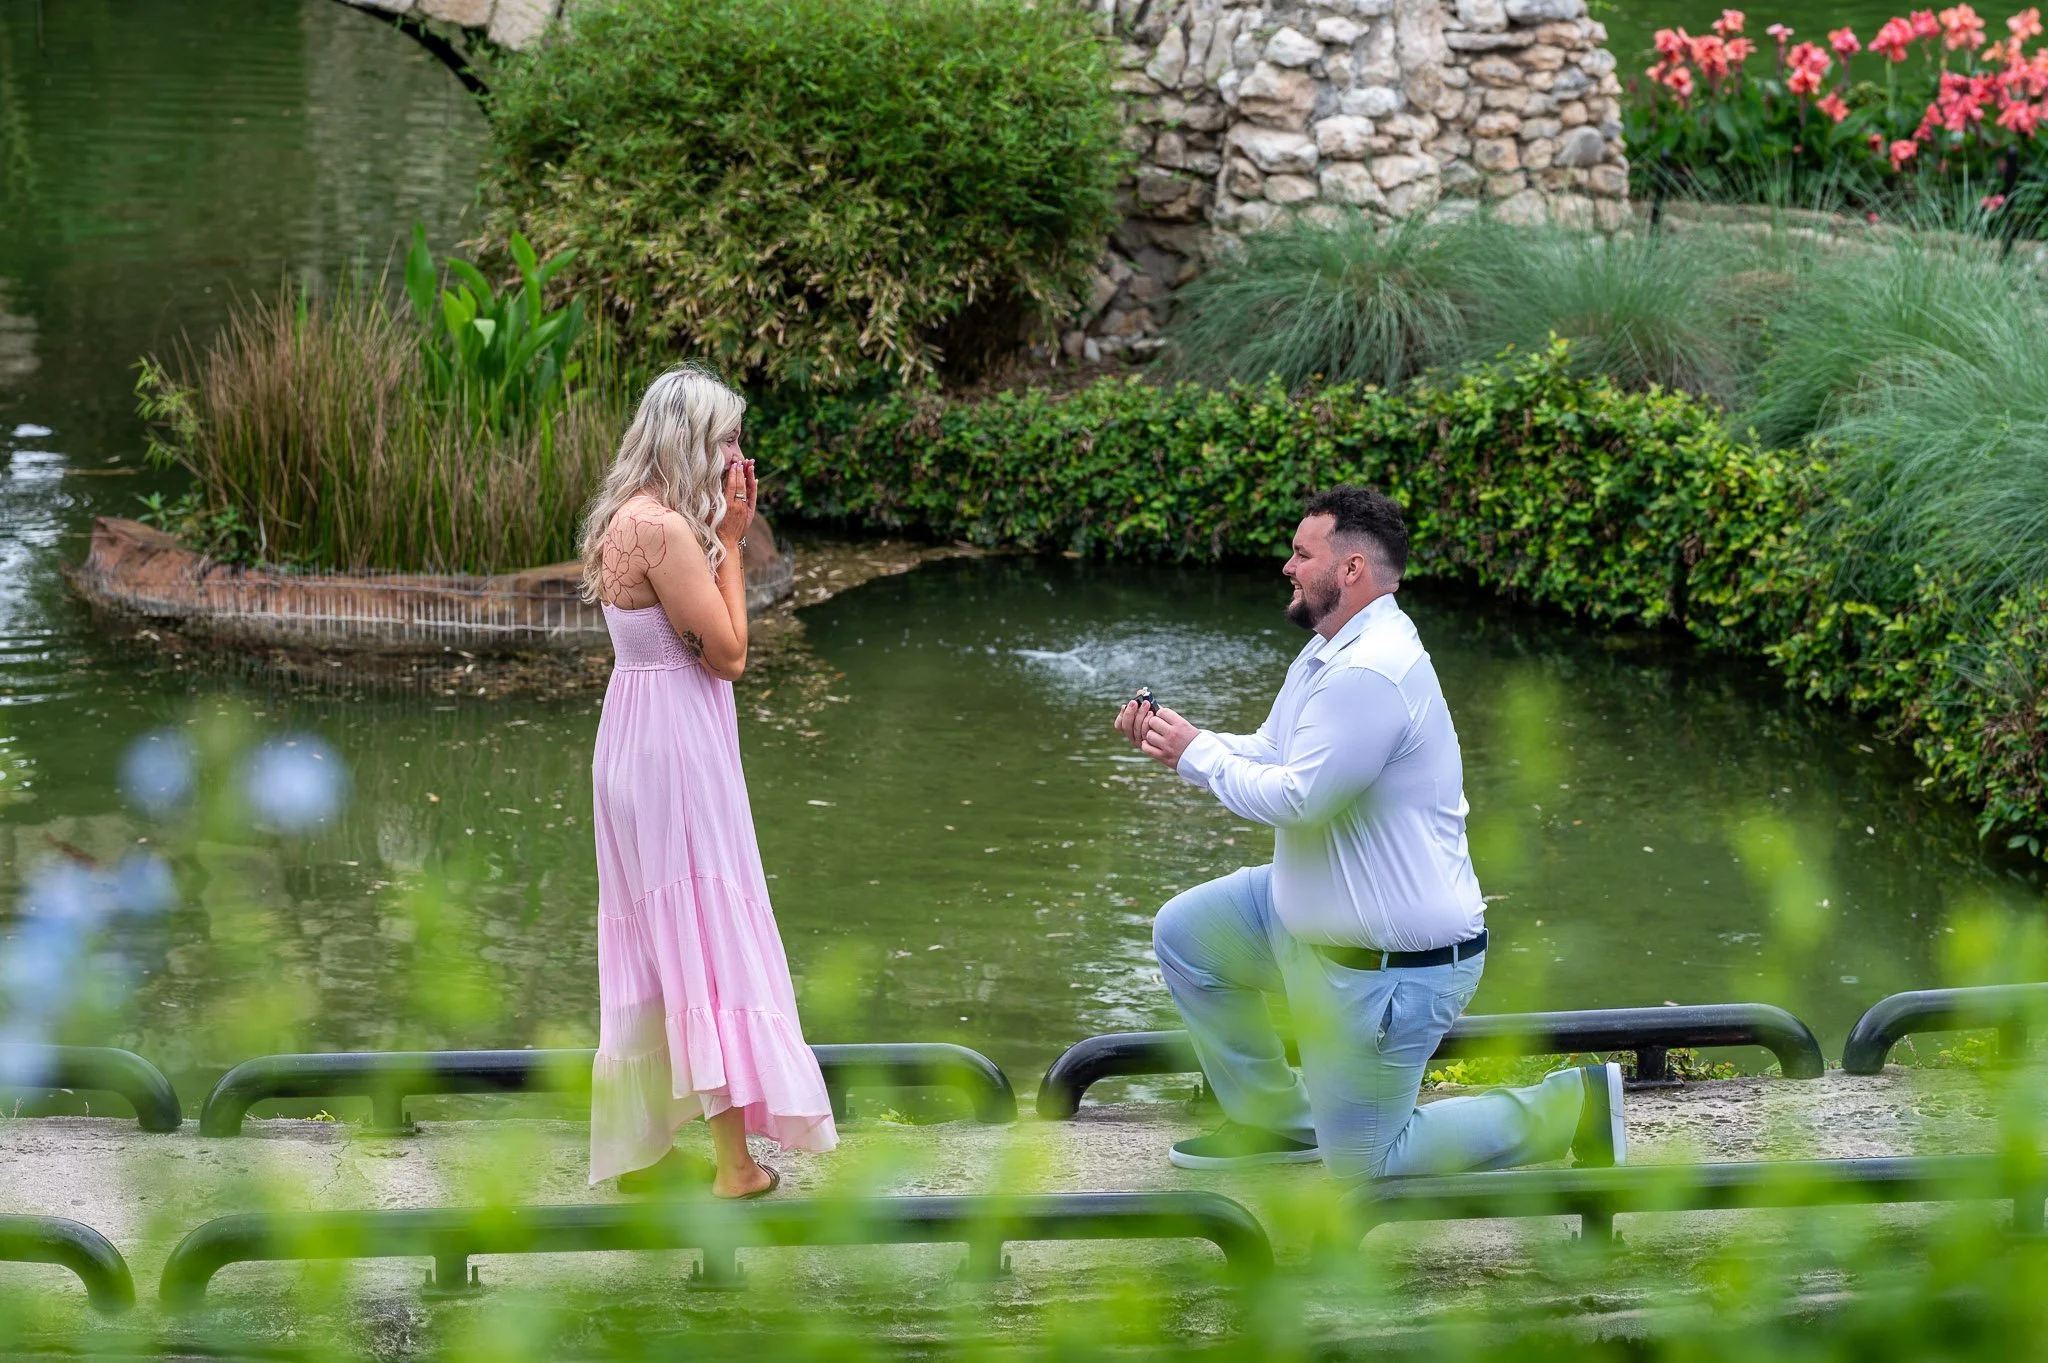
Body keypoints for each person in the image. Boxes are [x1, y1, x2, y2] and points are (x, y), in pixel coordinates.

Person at [1114, 486, 1624, 1184]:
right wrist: (1185, 738)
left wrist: (1197, 755)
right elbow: (1274, 751)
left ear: (1350, 568)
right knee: (1189, 935)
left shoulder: (1369, 672)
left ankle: (1574, 1107)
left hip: (1390, 966)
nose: (1288, 567)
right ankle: (1276, 1121)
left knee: (1366, 1164)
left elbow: (1300, 798)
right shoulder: (1331, 652)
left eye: (1302, 554)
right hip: (1311, 922)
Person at [578, 364, 836, 1198]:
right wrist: (733, 539)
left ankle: (646, 1152)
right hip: (674, 752)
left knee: (653, 940)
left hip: (633, 738)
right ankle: (733, 1166)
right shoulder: (666, 531)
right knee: (702, 934)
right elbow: (728, 655)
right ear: (690, 439)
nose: (736, 453)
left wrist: (718, 531)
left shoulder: (626, 517)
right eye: (727, 437)